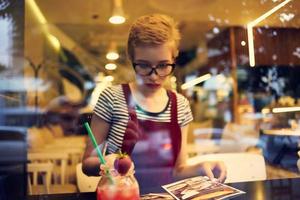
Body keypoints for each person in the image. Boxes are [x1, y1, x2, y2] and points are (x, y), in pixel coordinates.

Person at [82, 14, 226, 186]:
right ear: (131, 58)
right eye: (143, 65)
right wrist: (108, 161)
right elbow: (87, 164)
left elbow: (179, 170)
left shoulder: (180, 105)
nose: (154, 76)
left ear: (174, 58)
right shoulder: (112, 98)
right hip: (120, 194)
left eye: (163, 65)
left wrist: (201, 167)